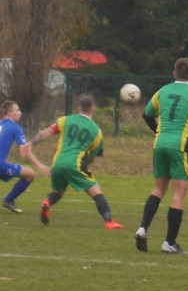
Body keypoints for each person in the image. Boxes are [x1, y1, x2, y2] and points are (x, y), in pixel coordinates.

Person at [135, 57, 188, 254]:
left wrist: (158, 131)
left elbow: (146, 114)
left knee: (158, 189)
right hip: (180, 146)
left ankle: (142, 229)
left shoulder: (162, 91)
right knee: (178, 194)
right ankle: (169, 242)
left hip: (160, 144)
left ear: (174, 72)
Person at [30, 94, 123, 230]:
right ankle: (108, 221)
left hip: (57, 163)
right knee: (96, 191)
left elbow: (48, 132)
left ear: (79, 107)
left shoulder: (65, 120)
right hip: (75, 164)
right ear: (94, 108)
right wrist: (84, 164)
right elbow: (92, 157)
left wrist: (31, 143)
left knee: (58, 191)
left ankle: (47, 203)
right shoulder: (97, 131)